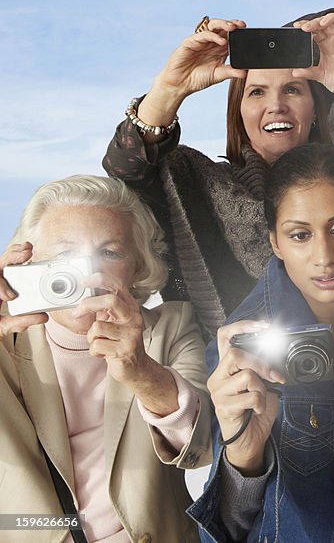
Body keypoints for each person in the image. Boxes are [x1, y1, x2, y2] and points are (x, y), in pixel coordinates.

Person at [103, 10, 334, 339]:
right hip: (226, 376)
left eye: (292, 90)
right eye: (257, 92)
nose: (276, 105)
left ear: (314, 107)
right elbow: (127, 171)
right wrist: (169, 88)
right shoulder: (195, 185)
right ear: (238, 111)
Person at [187, 143, 334, 542]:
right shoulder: (241, 345)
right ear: (274, 241)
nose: (324, 256)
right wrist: (243, 456)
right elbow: (227, 528)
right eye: (300, 235)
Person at [0, 174, 211, 543]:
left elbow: (203, 447)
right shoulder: (6, 343)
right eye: (66, 255)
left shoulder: (170, 327)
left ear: (138, 268)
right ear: (27, 264)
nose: (87, 271)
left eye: (109, 252)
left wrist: (142, 372)